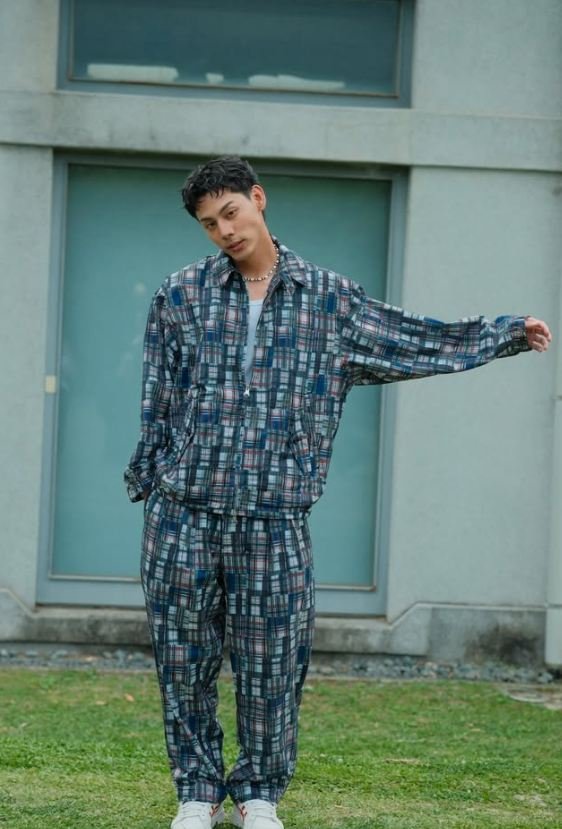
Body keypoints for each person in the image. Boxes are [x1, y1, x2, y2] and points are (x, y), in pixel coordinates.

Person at [124, 156, 551, 829]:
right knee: (183, 664)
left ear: (258, 199)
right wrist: (149, 479)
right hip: (183, 517)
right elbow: (158, 395)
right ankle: (197, 793)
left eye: (231, 212)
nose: (225, 230)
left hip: (275, 521)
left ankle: (259, 794)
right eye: (209, 224)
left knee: (274, 665)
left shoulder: (330, 300)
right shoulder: (179, 296)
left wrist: (504, 334)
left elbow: (413, 338)